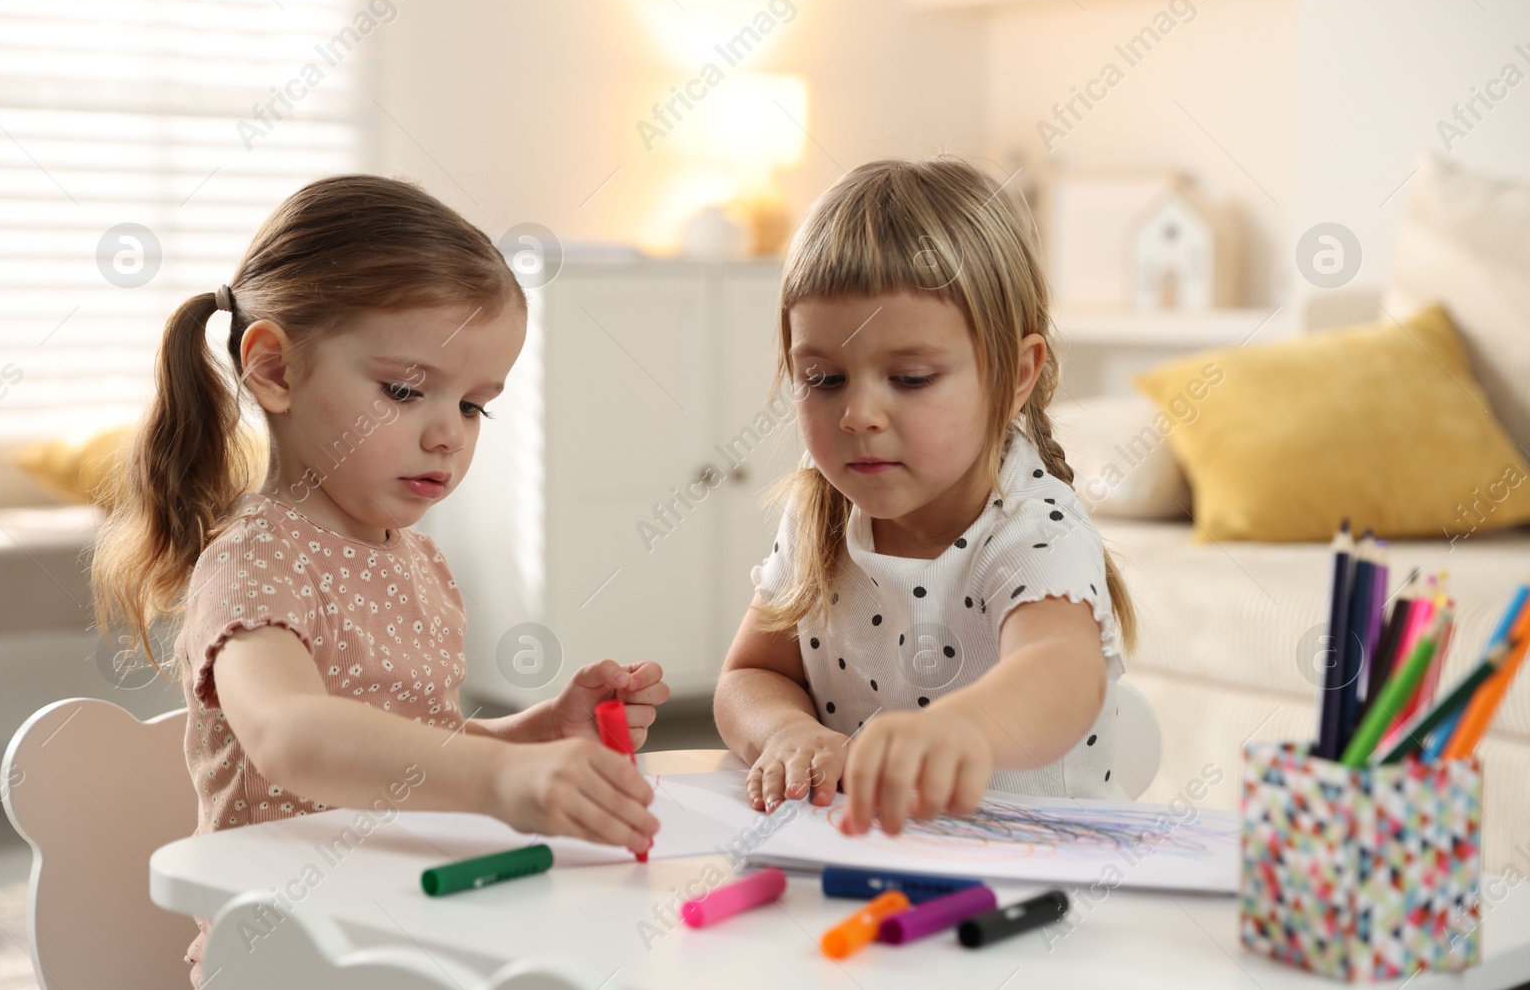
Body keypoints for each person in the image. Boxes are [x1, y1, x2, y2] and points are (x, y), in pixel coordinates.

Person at [90, 175, 667, 986]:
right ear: (275, 370)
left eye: (474, 406)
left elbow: (405, 741)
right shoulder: (256, 560)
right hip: (288, 947)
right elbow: (292, 733)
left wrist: (530, 736)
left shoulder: (415, 559)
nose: (447, 436)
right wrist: (502, 779)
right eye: (405, 390)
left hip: (405, 916)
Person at [714, 156, 1137, 836]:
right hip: (876, 857)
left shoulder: (1033, 528)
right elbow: (748, 675)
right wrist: (785, 731)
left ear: (1015, 375)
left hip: (1038, 872)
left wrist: (959, 730)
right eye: (823, 378)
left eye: (909, 378)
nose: (858, 414)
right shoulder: (820, 512)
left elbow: (1063, 671)